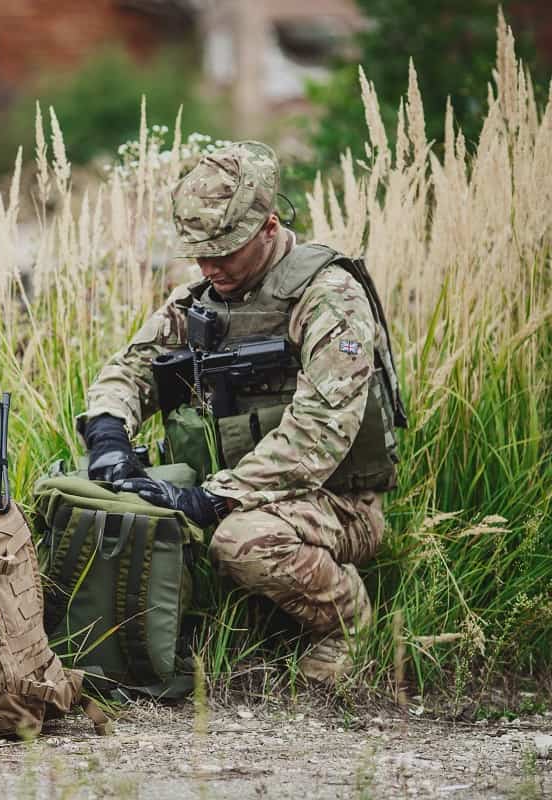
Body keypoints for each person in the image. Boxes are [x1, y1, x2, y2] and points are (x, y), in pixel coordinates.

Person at [78, 141, 403, 682]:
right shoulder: (201, 299)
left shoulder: (329, 297)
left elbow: (322, 428)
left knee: (241, 541)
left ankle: (346, 623)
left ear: (270, 227)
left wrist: (211, 499)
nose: (211, 267)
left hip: (336, 504)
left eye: (225, 252)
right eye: (199, 254)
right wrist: (109, 438)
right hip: (235, 490)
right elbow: (130, 370)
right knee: (109, 501)